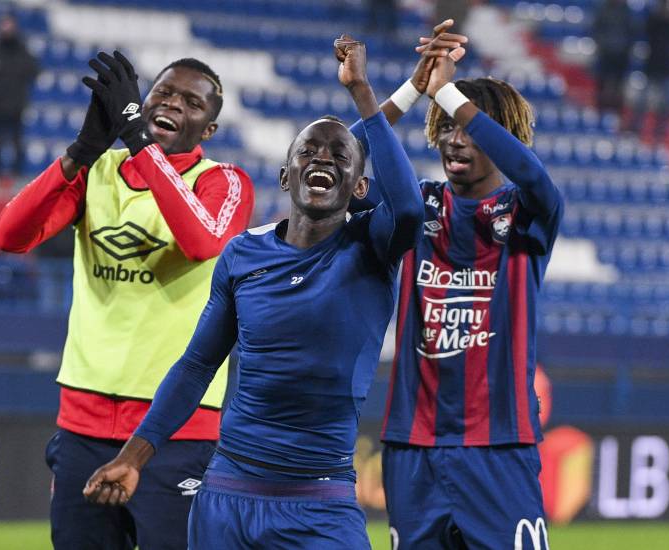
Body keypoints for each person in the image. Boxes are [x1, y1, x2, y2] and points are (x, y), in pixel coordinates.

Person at [81, 35, 424, 549]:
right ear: (287, 175)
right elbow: (197, 365)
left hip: (320, 502)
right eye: (307, 151)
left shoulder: (373, 244)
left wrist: (363, 92)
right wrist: (133, 457)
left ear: (359, 188)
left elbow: (412, 208)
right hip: (227, 498)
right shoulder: (243, 254)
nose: (321, 159)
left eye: (338, 155)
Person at [0, 50, 255, 549]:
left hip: (175, 432)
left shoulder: (225, 183)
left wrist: (137, 140)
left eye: (192, 102)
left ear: (209, 130)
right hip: (82, 423)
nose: (174, 104)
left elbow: (203, 242)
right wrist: (82, 149)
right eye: (164, 93)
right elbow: (10, 234)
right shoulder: (98, 172)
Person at [353, 20, 563, 549]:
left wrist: (450, 92)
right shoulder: (414, 204)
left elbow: (536, 177)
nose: (453, 137)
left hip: (498, 446)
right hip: (412, 444)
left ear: (501, 137)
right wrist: (412, 88)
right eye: (443, 124)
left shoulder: (525, 213)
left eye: (467, 125)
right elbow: (335, 159)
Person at [0, 13, 39, 189]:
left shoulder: (23, 51)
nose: (6, 29)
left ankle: (18, 177)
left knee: (17, 143)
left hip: (17, 106)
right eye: (3, 25)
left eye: (9, 25)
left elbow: (34, 71)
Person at [627, 0, 669, 141]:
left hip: (666, 67)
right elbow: (646, 30)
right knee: (642, 100)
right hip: (652, 65)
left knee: (665, 103)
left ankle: (660, 131)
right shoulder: (653, 20)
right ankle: (636, 127)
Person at [592, 0, 635, 116]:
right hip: (605, 54)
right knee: (603, 85)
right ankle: (600, 114)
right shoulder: (604, 9)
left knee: (619, 87)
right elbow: (597, 28)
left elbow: (632, 32)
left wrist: (625, 48)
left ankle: (617, 116)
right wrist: (603, 44)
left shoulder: (627, 11)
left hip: (621, 56)